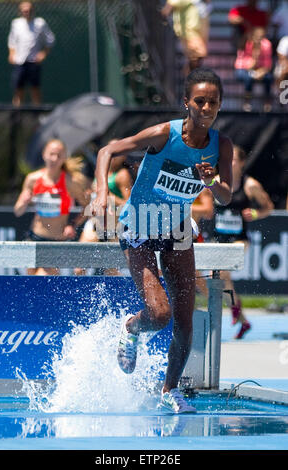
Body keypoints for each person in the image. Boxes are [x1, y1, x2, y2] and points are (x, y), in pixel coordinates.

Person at [91, 68, 233, 414]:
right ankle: (131, 326)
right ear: (187, 102)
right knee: (159, 314)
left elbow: (226, 197)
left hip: (177, 232)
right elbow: (107, 151)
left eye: (212, 102)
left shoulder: (221, 146)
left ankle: (170, 390)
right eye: (199, 101)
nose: (205, 107)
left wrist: (212, 181)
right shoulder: (162, 135)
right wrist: (100, 194)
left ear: (218, 107)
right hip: (139, 226)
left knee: (185, 324)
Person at [213, 145, 274, 339]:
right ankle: (242, 319)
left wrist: (256, 213)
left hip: (240, 239)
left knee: (222, 273)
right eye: (226, 159)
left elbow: (268, 207)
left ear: (242, 163)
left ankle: (235, 312)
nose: (228, 163)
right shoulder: (215, 181)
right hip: (218, 239)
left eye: (233, 160)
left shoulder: (250, 186)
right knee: (220, 279)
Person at [14, 139, 90, 275]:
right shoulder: (33, 179)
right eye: (52, 154)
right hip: (34, 238)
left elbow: (88, 208)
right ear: (44, 155)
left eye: (59, 155)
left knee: (42, 279)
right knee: (30, 283)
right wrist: (24, 202)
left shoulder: (70, 182)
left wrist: (73, 225)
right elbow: (18, 211)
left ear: (64, 158)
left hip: (55, 241)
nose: (54, 159)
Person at [75, 142, 133, 276]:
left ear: (123, 156)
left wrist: (108, 196)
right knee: (79, 268)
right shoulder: (100, 172)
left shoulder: (122, 175)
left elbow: (129, 204)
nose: (113, 156)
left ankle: (118, 296)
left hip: (114, 228)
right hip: (95, 225)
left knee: (111, 271)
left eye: (117, 153)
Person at [8, 1, 55, 106]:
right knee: (18, 89)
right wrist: (11, 54)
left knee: (35, 89)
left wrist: (43, 54)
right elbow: (12, 41)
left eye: (28, 10)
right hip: (19, 62)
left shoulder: (40, 23)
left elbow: (50, 40)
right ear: (20, 11)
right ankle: (17, 115)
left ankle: (36, 115)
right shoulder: (16, 23)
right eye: (24, 10)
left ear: (32, 10)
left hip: (34, 62)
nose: (26, 12)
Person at [161, 0, 211, 74]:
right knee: (198, 54)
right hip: (189, 32)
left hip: (201, 33)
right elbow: (169, 7)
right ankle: (191, 77)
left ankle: (189, 77)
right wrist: (165, 15)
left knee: (197, 57)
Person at [234, 27, 273, 112]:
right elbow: (244, 65)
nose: (259, 40)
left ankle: (267, 103)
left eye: (261, 37)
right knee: (248, 78)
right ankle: (247, 102)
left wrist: (261, 72)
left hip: (260, 70)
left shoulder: (267, 45)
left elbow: (268, 64)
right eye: (257, 37)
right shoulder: (245, 43)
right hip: (243, 69)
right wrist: (256, 55)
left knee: (269, 78)